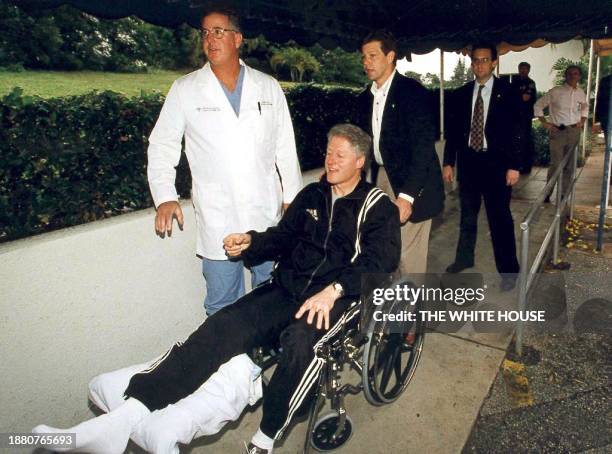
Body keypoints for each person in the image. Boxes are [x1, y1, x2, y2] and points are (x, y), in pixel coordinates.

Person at [34, 124, 400, 454]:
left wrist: (335, 289)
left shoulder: (376, 207)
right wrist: (251, 243)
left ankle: (267, 435)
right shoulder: (311, 196)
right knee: (222, 325)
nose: (329, 160)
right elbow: (283, 237)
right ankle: (124, 417)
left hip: (333, 299)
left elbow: (378, 262)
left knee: (301, 343)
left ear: (360, 162)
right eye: (327, 151)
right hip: (286, 289)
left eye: (339, 155)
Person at [147, 7, 302, 315]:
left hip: (264, 213)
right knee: (222, 305)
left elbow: (285, 147)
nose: (210, 39)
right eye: (205, 33)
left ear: (238, 39)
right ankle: (231, 363)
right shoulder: (185, 89)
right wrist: (165, 196)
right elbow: (163, 144)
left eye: (219, 31)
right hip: (219, 214)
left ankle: (265, 355)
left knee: (273, 292)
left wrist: (291, 200)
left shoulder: (268, 86)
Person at [357, 30, 444, 276]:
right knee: (386, 250)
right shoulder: (365, 98)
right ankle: (396, 309)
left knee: (408, 258)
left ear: (391, 56)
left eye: (373, 55)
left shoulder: (412, 93)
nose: (366, 62)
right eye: (364, 57)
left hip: (412, 183)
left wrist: (407, 197)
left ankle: (414, 312)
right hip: (381, 179)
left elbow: (423, 150)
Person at [443, 43, 521, 291]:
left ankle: (509, 272)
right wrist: (448, 162)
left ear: (494, 62)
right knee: (467, 217)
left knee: (500, 219)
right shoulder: (462, 93)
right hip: (469, 164)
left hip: (497, 166)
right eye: (476, 60)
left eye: (485, 60)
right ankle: (464, 259)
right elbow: (454, 133)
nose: (480, 64)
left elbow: (519, 132)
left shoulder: (508, 92)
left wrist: (514, 166)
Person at [534, 65, 588, 202]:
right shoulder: (556, 91)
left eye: (575, 73)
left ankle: (564, 194)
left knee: (570, 166)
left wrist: (582, 121)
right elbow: (538, 105)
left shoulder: (581, 93)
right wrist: (545, 123)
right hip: (558, 132)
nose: (572, 76)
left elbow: (585, 107)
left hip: (574, 131)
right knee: (556, 164)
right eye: (570, 73)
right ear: (566, 75)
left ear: (579, 76)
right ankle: (547, 193)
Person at [511, 62, 537, 174]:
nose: (523, 71)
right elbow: (510, 98)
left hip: (525, 116)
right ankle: (516, 165)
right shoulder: (514, 82)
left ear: (529, 70)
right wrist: (518, 96)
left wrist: (518, 97)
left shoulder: (531, 83)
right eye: (521, 68)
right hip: (514, 116)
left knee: (525, 140)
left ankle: (526, 166)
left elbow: (528, 97)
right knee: (514, 141)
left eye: (525, 69)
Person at [595, 73, 611, 146]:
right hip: (607, 118)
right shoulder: (606, 80)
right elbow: (600, 100)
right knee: (609, 146)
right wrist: (597, 121)